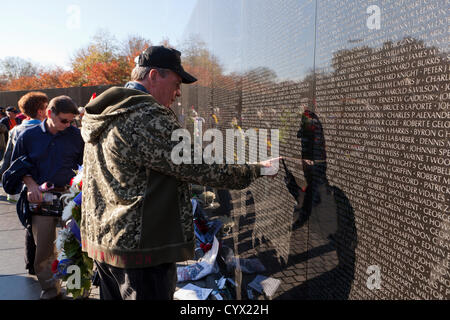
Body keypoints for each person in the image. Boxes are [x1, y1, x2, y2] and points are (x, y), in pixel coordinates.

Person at [80, 45, 278, 300]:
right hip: (142, 253)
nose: (178, 93)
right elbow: (202, 167)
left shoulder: (107, 112)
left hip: (107, 243)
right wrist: (257, 170)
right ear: (153, 76)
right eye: (176, 83)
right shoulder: (145, 115)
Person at [11, 95, 84, 300]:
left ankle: (79, 287)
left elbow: (85, 166)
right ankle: (52, 290)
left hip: (71, 198)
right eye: (64, 120)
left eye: (71, 121)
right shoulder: (28, 136)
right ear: (49, 113)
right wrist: (31, 184)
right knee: (43, 250)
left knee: (77, 246)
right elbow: (17, 167)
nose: (68, 125)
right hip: (40, 199)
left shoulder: (76, 135)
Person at [0, 92, 49, 274]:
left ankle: (31, 263)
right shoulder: (44, 131)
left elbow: (8, 160)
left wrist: (7, 179)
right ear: (41, 110)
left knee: (30, 224)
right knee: (45, 226)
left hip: (23, 185)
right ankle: (41, 264)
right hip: (42, 184)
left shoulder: (15, 130)